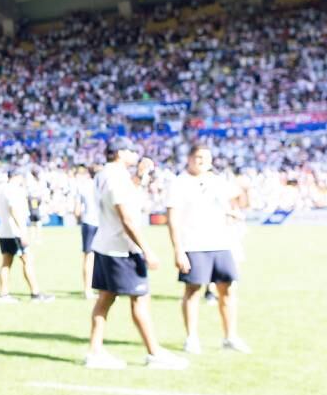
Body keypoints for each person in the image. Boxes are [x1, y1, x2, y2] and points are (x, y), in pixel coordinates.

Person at [85, 138, 187, 371]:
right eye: (132, 150)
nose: (136, 154)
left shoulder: (104, 174)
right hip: (123, 249)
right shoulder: (116, 177)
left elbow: (125, 196)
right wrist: (145, 249)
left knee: (104, 300)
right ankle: (154, 353)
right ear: (121, 153)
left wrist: (140, 176)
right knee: (140, 300)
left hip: (105, 244)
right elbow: (127, 217)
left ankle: (95, 351)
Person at [165, 144, 252, 355]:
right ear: (190, 159)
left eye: (207, 158)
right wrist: (178, 250)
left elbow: (239, 203)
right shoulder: (179, 183)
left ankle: (230, 336)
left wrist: (245, 188)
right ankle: (192, 338)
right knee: (193, 291)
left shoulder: (217, 181)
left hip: (221, 243)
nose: (203, 161)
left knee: (227, 290)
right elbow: (173, 219)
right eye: (199, 157)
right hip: (193, 245)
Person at [0, 171, 54, 303]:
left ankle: (3, 294)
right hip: (14, 232)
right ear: (16, 177)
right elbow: (14, 210)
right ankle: (35, 293)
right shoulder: (12, 190)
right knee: (27, 260)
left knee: (6, 263)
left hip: (4, 232)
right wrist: (23, 232)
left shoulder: (3, 189)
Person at [73, 165, 99, 299]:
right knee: (103, 258)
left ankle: (87, 290)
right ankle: (105, 288)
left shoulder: (82, 186)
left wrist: (79, 219)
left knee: (88, 257)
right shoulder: (103, 184)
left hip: (88, 222)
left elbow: (76, 210)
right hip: (102, 223)